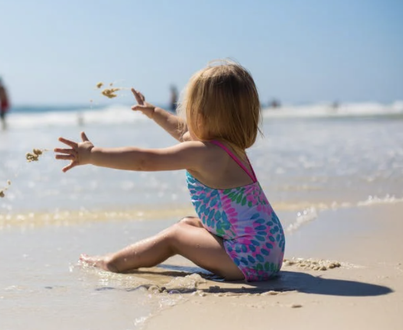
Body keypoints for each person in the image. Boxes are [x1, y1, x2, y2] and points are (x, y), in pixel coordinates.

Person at [54, 60, 285, 282]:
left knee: (175, 236)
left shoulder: (206, 153)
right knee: (188, 224)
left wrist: (93, 155)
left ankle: (111, 262)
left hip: (249, 259)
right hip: (267, 248)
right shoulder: (229, 148)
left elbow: (144, 160)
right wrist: (154, 112)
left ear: (201, 116)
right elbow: (183, 131)